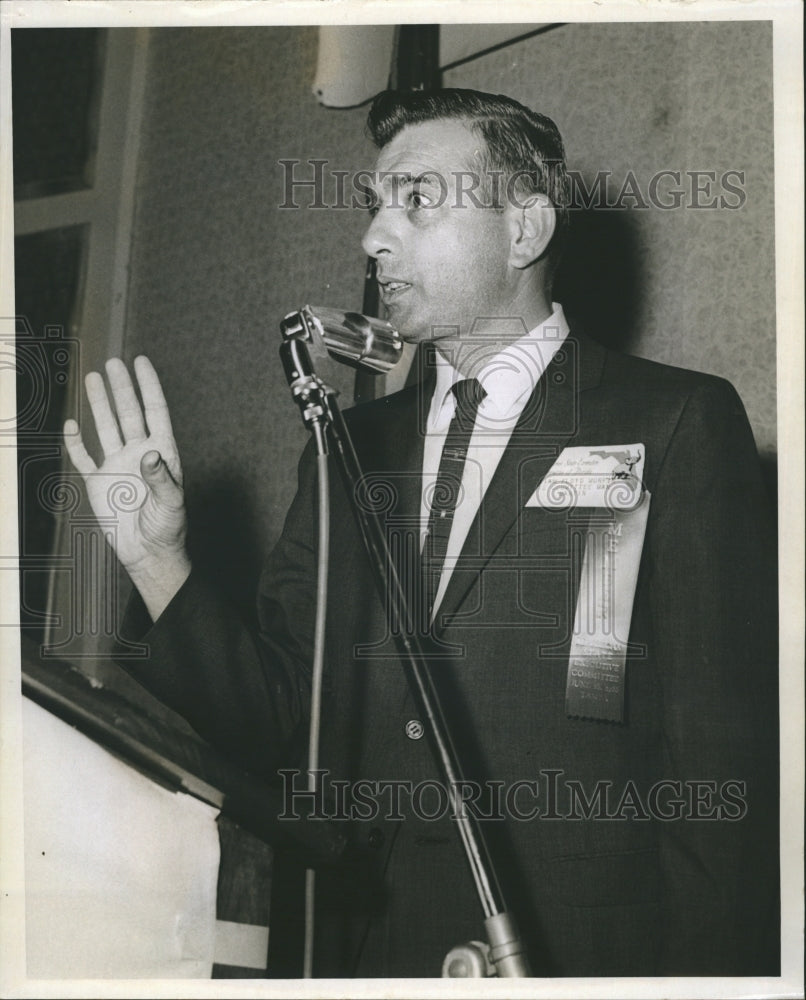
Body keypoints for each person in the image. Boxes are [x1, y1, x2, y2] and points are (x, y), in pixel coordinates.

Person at [64, 89, 779, 978]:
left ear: (524, 231)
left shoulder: (673, 423)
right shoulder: (347, 446)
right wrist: (156, 558)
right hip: (372, 958)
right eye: (374, 206)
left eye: (416, 199)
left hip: (582, 959)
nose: (372, 237)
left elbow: (726, 777)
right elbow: (282, 719)